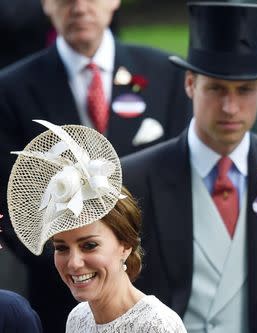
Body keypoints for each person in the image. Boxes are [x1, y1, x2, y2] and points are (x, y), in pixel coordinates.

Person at [122, 3, 257, 333]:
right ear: (190, 84)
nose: (230, 107)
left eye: (244, 90)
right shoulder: (136, 177)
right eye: (215, 88)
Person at [0, 0, 190, 331]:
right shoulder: (10, 88)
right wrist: (77, 265)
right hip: (60, 297)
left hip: (151, 285)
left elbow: (180, 185)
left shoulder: (167, 74)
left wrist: (123, 263)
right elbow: (12, 199)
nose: (79, 7)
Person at [7, 119, 187, 333]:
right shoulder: (78, 318)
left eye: (89, 245)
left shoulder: (157, 325)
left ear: (126, 244)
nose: (73, 263)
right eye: (61, 248)